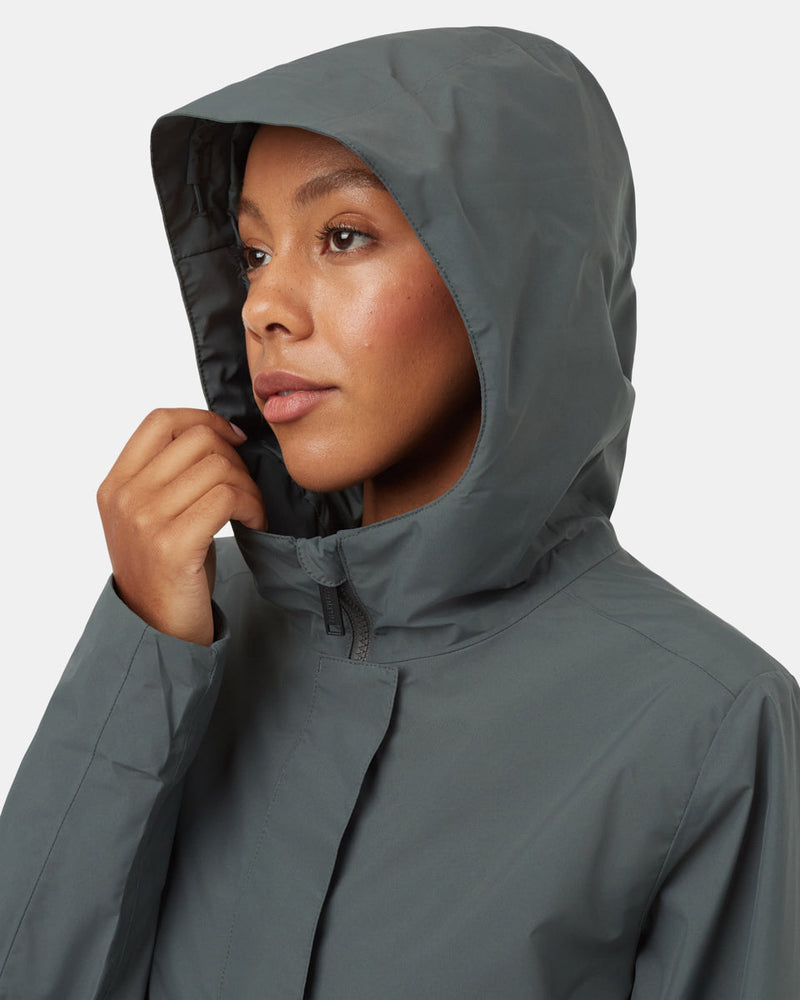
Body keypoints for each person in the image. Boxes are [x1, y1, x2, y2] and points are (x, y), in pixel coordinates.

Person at [0, 25, 797, 999]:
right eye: (253, 252)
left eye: (342, 237)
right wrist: (142, 645)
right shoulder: (189, 622)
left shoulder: (706, 722)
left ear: (513, 276)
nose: (262, 306)